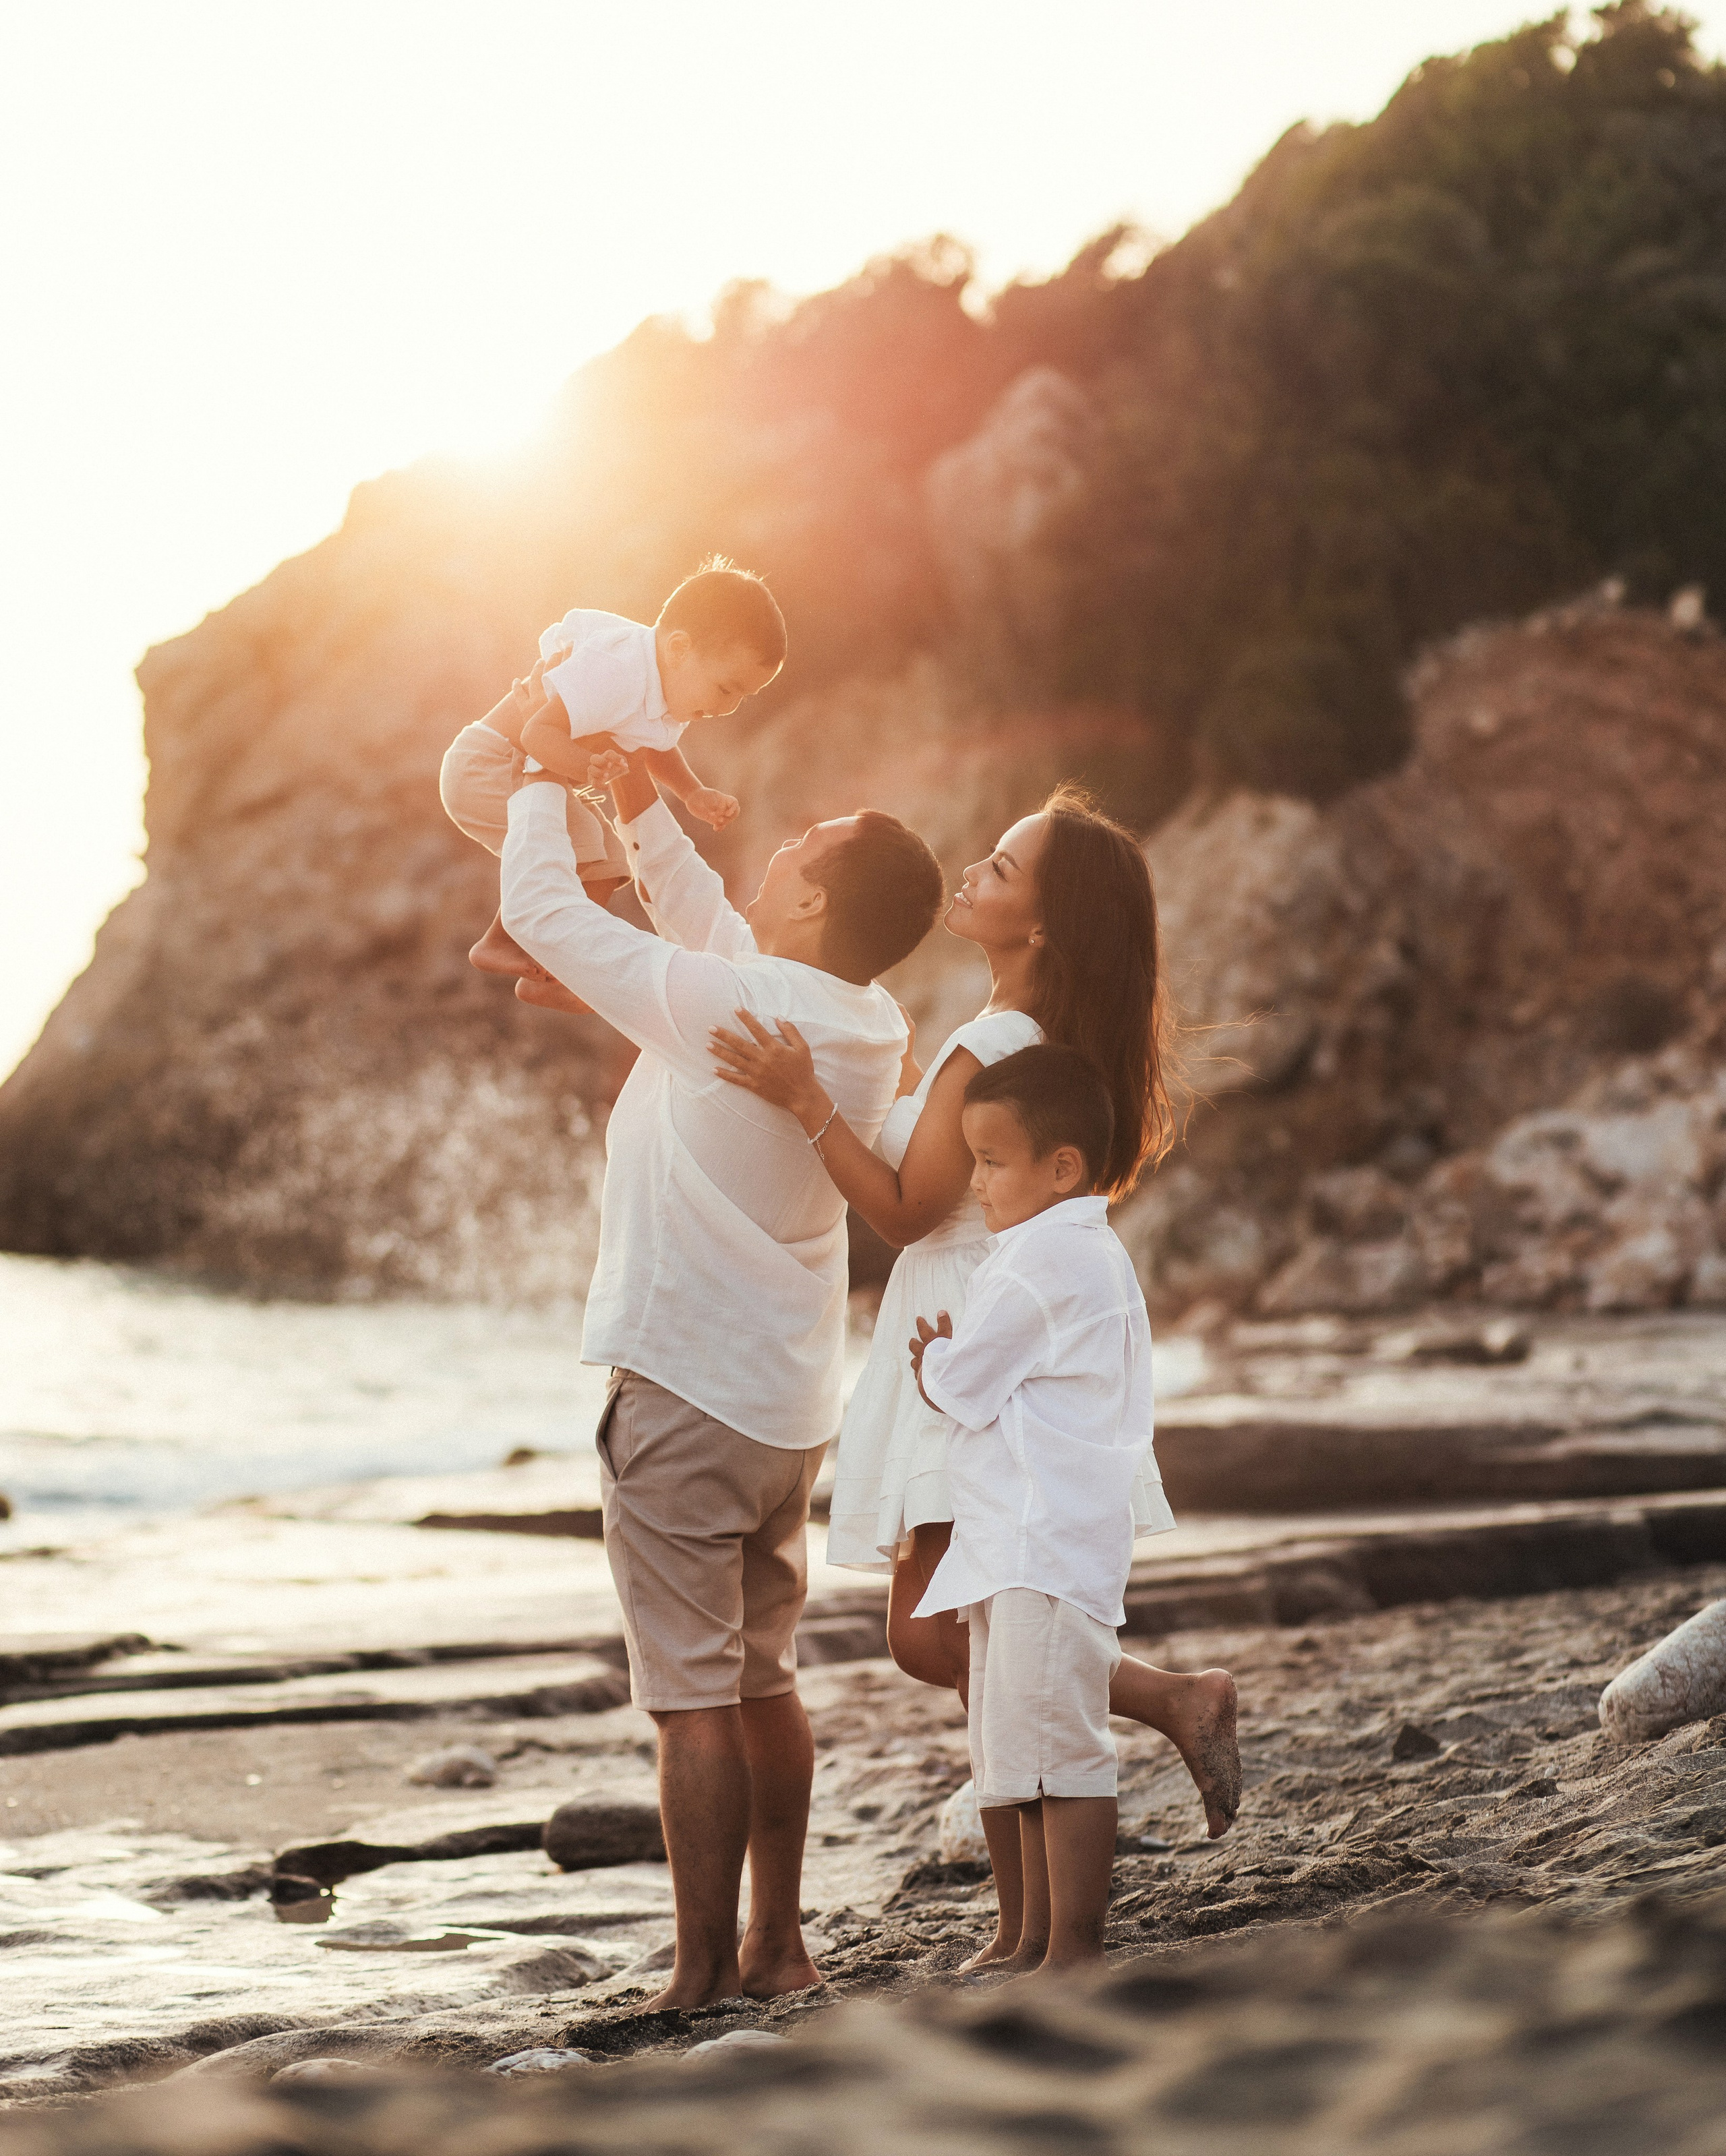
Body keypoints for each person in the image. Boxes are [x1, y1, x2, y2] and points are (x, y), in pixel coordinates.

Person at [498, 752, 945, 2011]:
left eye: (814, 829)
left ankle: (698, 1973)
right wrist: (637, 800)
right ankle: (777, 1943)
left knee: (693, 1700)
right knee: (762, 1678)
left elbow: (540, 911)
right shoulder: (865, 1018)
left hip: (685, 1395)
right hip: (783, 1411)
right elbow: (718, 933)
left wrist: (540, 771)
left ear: (813, 903)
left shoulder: (732, 1005)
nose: (793, 833)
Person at [709, 783, 1241, 1837]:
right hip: (983, 1312)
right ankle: (1025, 1870)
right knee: (959, 1625)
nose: (972, 872)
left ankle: (1162, 1707)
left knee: (939, 1631)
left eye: (1000, 868)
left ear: (1040, 922)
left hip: (959, 1323)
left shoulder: (1000, 1034)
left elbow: (908, 1208)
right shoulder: (1040, 1032)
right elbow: (942, 1152)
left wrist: (807, 1098)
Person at [910, 1044, 1158, 1972]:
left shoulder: (1039, 1264)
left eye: (991, 1160)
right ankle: (1027, 1933)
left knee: (1061, 1750)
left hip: (1041, 1545)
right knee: (1012, 1749)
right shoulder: (1071, 1250)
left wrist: (932, 1361)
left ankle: (1072, 1945)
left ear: (1062, 1167)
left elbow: (966, 1383)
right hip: (1018, 1543)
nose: (974, 1180)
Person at [441, 560, 785, 982]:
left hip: (521, 765)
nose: (729, 706)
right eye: (726, 688)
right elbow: (537, 731)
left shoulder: (664, 683)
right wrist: (587, 766)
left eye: (743, 698)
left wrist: (692, 793)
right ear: (679, 649)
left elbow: (652, 746)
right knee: (582, 842)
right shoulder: (619, 670)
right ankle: (503, 939)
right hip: (486, 765)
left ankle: (564, 969)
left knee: (607, 862)